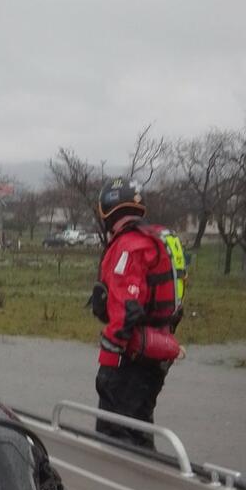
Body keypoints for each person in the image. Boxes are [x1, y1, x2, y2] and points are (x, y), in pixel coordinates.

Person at [91, 179, 186, 448]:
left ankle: (124, 475)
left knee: (115, 436)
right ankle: (146, 468)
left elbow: (126, 309)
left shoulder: (129, 245)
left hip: (130, 358)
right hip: (157, 352)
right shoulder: (160, 240)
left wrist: (110, 356)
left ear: (107, 212)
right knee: (140, 427)